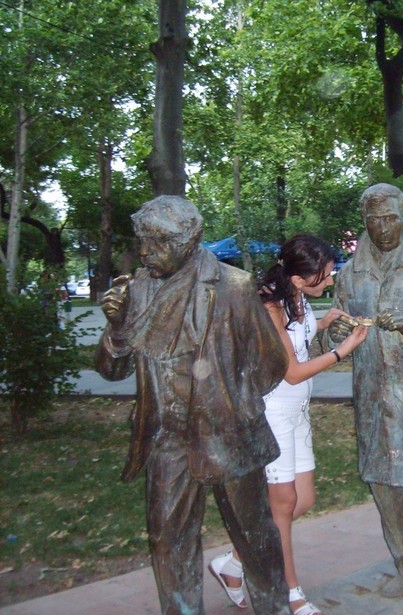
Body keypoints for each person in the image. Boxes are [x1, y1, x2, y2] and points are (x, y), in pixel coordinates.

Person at [94, 195, 291, 615]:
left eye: (157, 242)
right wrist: (116, 326)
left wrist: (233, 403)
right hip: (166, 438)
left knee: (253, 535)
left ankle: (273, 607)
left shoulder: (233, 286)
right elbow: (111, 370)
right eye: (142, 241)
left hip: (228, 433)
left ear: (188, 242)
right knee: (167, 538)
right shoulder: (136, 290)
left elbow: (270, 363)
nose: (145, 252)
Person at [210, 235, 369, 614]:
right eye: (324, 276)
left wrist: (323, 323)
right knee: (282, 507)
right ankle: (290, 593)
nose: (330, 280)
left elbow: (295, 341)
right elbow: (293, 372)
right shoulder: (270, 307)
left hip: (298, 413)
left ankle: (234, 562)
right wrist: (341, 352)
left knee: (303, 499)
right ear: (298, 278)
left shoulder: (296, 297)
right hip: (273, 414)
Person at [327, 183, 403, 598]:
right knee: (383, 484)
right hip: (372, 396)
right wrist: (335, 334)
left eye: (391, 218)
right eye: (374, 220)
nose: (382, 227)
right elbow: (334, 330)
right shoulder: (349, 274)